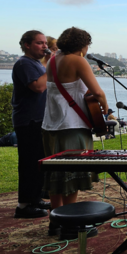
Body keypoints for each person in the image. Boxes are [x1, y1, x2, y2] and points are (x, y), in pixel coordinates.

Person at [42, 27, 107, 227]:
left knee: (56, 174)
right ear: (82, 45)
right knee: (71, 176)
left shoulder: (52, 60)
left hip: (50, 125)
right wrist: (105, 107)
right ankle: (70, 222)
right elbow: (97, 92)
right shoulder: (78, 60)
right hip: (72, 125)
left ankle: (56, 220)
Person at [11, 30, 51, 219]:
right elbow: (38, 87)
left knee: (38, 162)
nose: (45, 46)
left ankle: (35, 198)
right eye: (39, 43)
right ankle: (24, 205)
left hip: (38, 119)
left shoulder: (36, 63)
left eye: (45, 43)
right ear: (27, 45)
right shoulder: (24, 63)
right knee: (28, 163)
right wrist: (51, 65)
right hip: (28, 120)